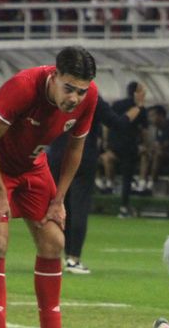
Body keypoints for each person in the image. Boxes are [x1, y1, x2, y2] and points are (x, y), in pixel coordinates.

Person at [0, 46, 100, 328]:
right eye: (68, 88)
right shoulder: (23, 87)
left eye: (80, 91)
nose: (74, 98)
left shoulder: (89, 97)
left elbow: (75, 149)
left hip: (32, 164)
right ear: (54, 77)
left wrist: (59, 200)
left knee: (55, 241)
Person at [47, 94, 146, 274]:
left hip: (57, 155)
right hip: (83, 156)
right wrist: (138, 107)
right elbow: (118, 124)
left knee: (59, 206)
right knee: (79, 208)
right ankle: (73, 258)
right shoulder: (91, 97)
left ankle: (55, 255)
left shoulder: (56, 92)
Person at [100, 81, 148, 216]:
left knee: (108, 161)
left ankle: (109, 184)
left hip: (114, 144)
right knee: (127, 176)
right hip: (129, 145)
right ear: (136, 93)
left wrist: (105, 141)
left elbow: (106, 125)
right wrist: (145, 145)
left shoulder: (116, 104)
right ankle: (123, 207)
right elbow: (144, 131)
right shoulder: (140, 108)